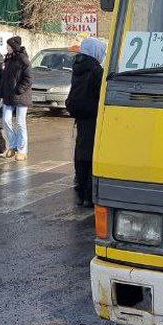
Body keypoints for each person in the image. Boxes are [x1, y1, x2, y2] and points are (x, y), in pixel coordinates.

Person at [66, 37, 106, 206]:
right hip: (93, 115)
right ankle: (89, 195)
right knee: (91, 154)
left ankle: (80, 190)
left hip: (80, 115)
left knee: (81, 151)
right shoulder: (96, 69)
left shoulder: (78, 66)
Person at [0, 35, 33, 160]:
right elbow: (4, 78)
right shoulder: (8, 58)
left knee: (20, 122)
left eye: (8, 46)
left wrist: (19, 89)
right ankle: (13, 146)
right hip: (8, 95)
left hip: (21, 96)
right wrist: (1, 93)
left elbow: (29, 77)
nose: (7, 48)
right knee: (6, 120)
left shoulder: (23, 59)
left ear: (14, 46)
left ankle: (22, 150)